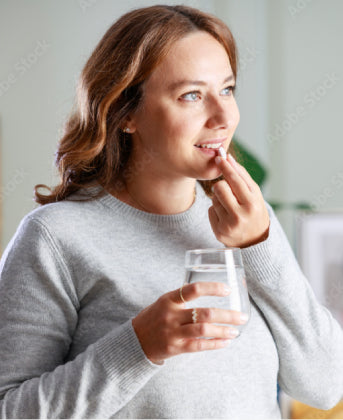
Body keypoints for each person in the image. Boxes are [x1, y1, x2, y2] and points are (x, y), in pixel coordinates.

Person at [0, 4, 342, 418]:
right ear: (126, 113)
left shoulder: (248, 221)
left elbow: (326, 385)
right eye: (191, 96)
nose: (222, 117)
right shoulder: (55, 237)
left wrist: (260, 244)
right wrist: (138, 346)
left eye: (228, 89)